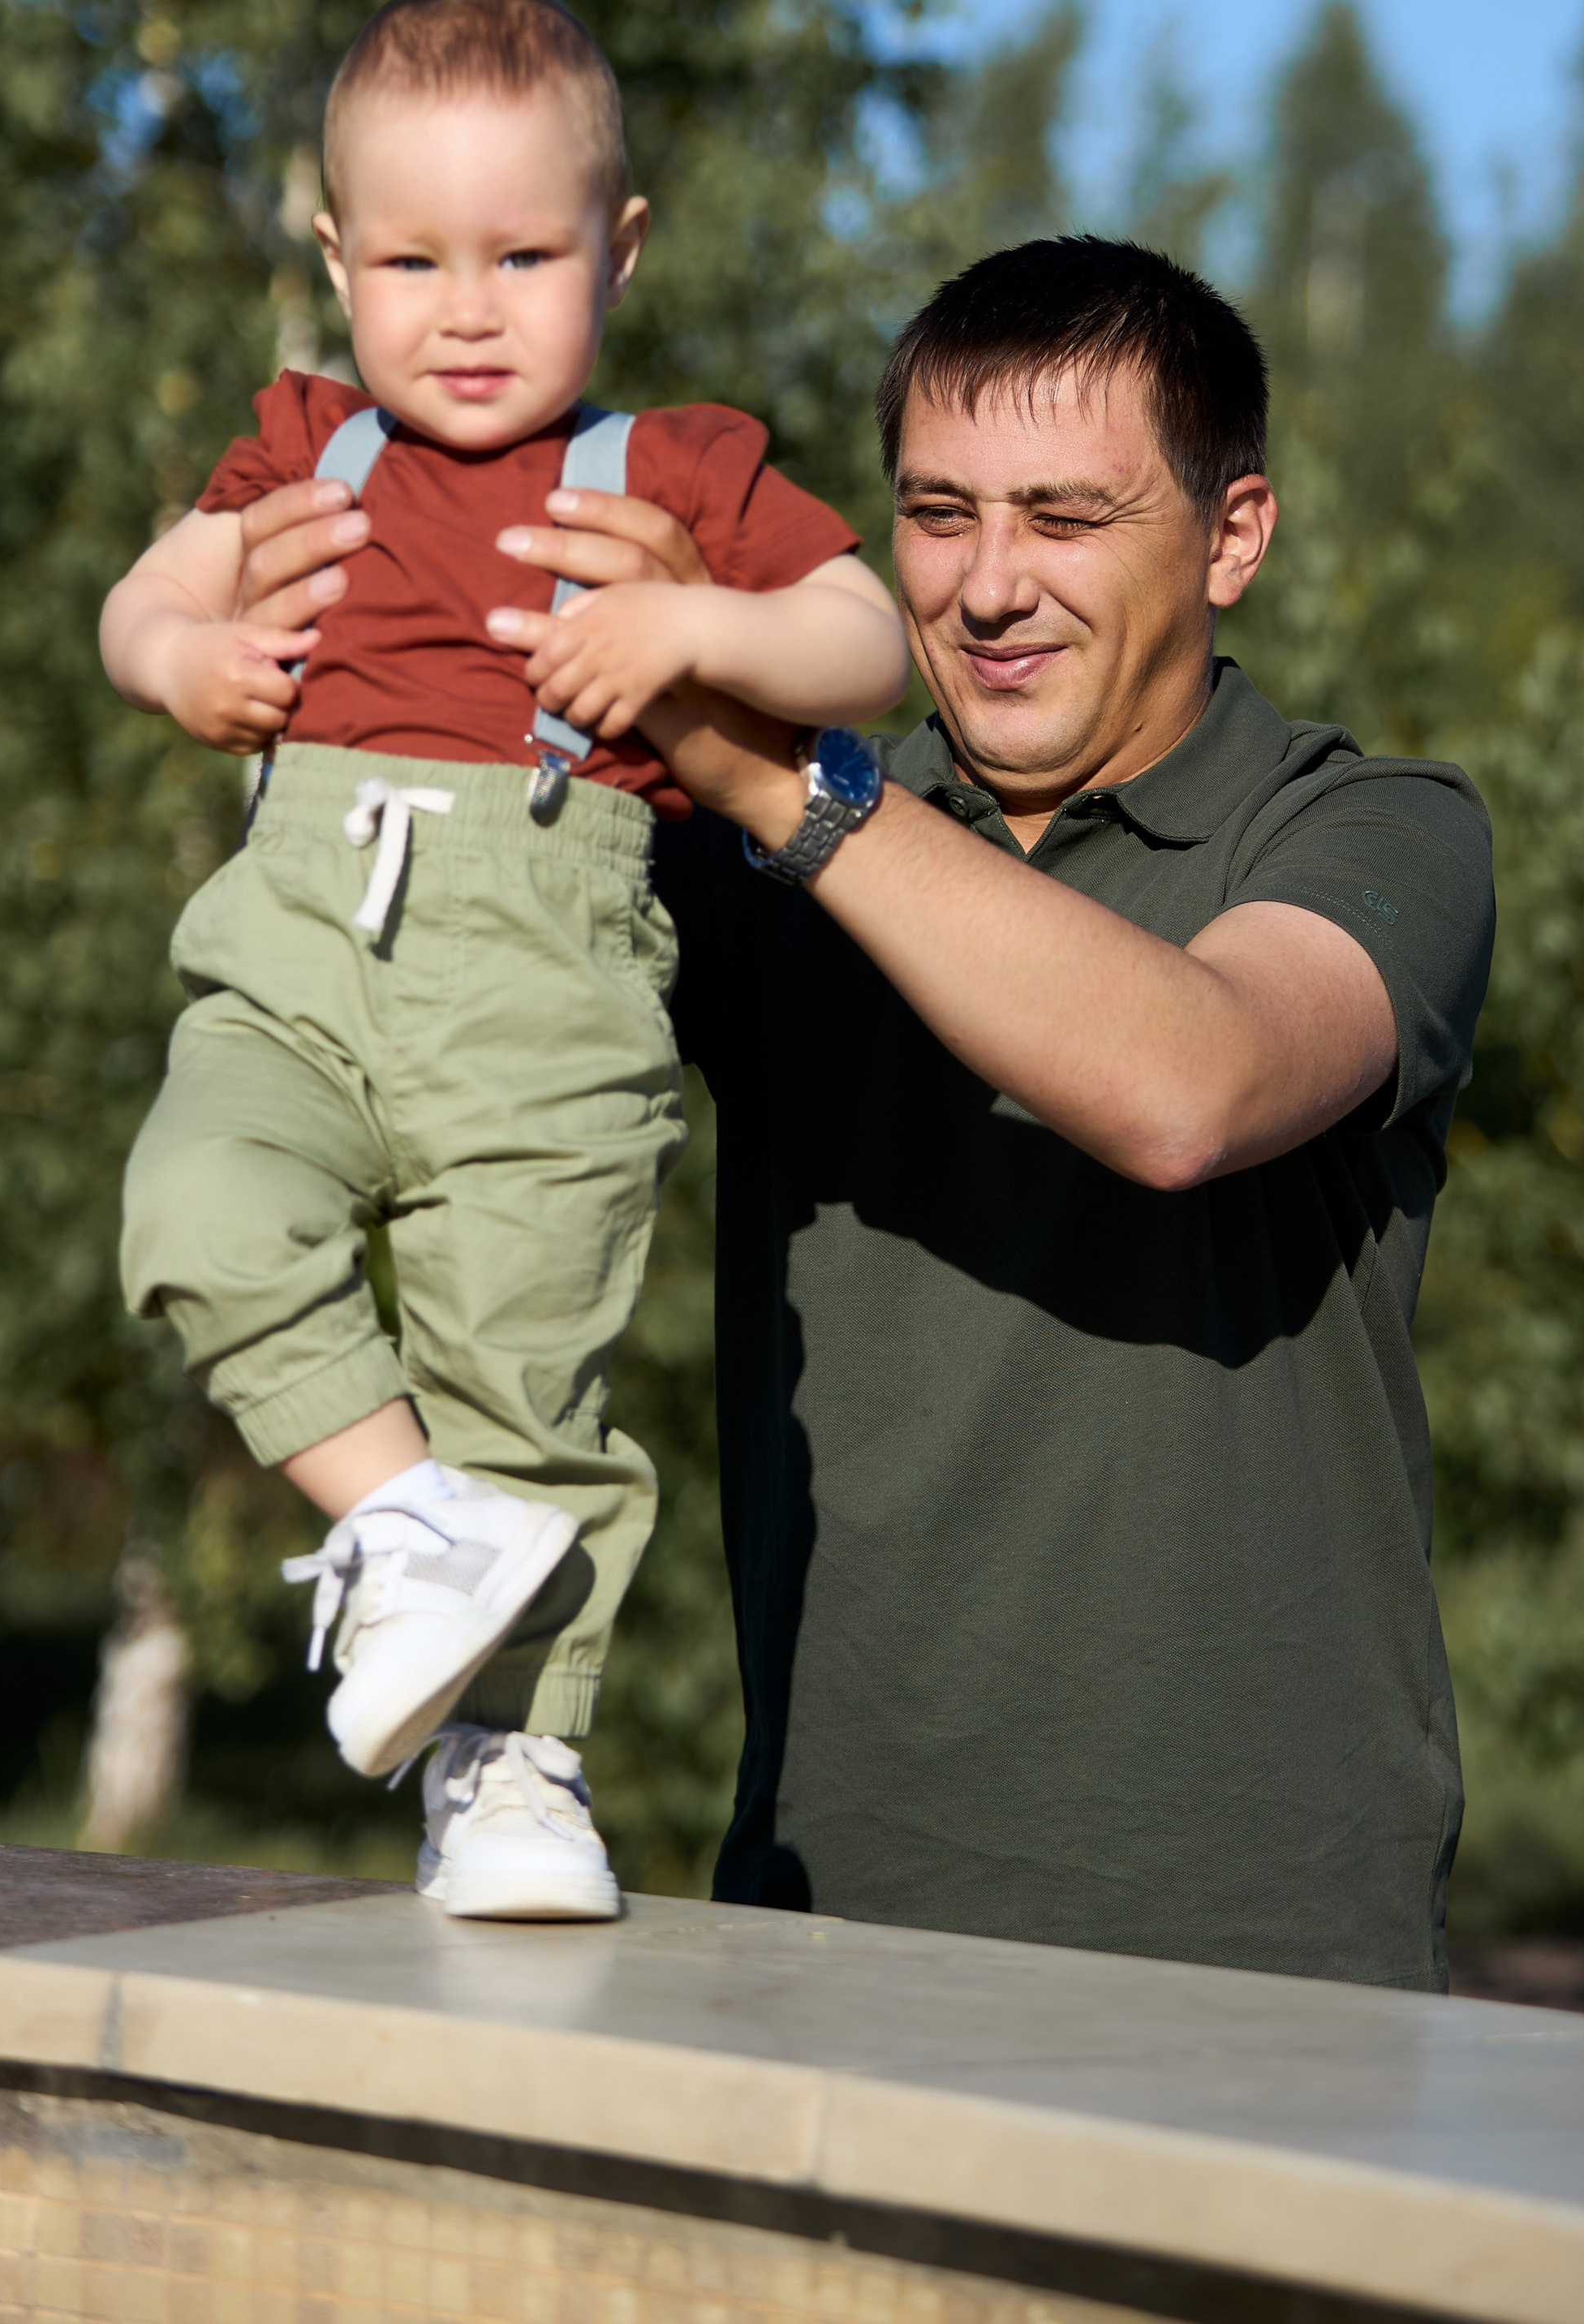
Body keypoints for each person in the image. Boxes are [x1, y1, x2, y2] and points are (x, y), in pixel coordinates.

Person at [213, 234, 1495, 1990]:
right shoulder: (753, 851)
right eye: (938, 514)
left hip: (1262, 1932)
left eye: (1064, 517)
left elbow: (1190, 1087)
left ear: (1232, 535)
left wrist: (761, 777)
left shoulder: (1372, 831)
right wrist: (368, 671)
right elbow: (426, 1084)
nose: (985, 587)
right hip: (829, 1914)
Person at [101, 0, 906, 1922]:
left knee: (522, 1375)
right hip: (297, 947)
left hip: (545, 993)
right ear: (332, 258)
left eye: (522, 255)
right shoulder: (308, 439)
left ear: (615, 254)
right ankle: (396, 1515)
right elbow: (144, 599)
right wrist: (189, 660)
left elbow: (866, 640)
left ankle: (512, 1771)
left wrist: (704, 636)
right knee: (197, 1209)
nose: (464, 309)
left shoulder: (677, 469)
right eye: (408, 258)